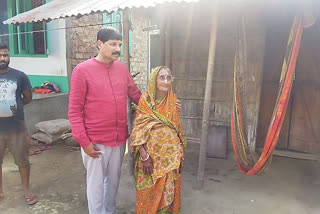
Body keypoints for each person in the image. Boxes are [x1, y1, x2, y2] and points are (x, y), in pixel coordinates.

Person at [68, 27, 142, 214]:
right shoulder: (82, 71)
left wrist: (161, 102)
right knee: (96, 186)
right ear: (99, 44)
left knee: (113, 182)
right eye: (112, 44)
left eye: (119, 44)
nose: (117, 48)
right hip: (95, 141)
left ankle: (109, 211)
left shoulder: (122, 69)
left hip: (118, 140)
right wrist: (84, 142)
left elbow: (136, 95)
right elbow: (74, 111)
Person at [130, 66, 186, 214]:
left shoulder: (173, 101)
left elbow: (178, 130)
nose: (166, 81)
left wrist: (181, 156)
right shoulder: (145, 101)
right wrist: (144, 156)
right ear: (154, 80)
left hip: (171, 160)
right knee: (148, 194)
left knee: (169, 194)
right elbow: (138, 131)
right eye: (162, 77)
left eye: (169, 77)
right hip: (151, 160)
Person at [0, 43, 37, 205]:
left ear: (9, 56)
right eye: (0, 55)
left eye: (5, 55)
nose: (3, 58)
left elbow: (28, 98)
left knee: (22, 161)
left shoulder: (19, 76)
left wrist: (12, 109)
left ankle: (26, 189)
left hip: (16, 128)